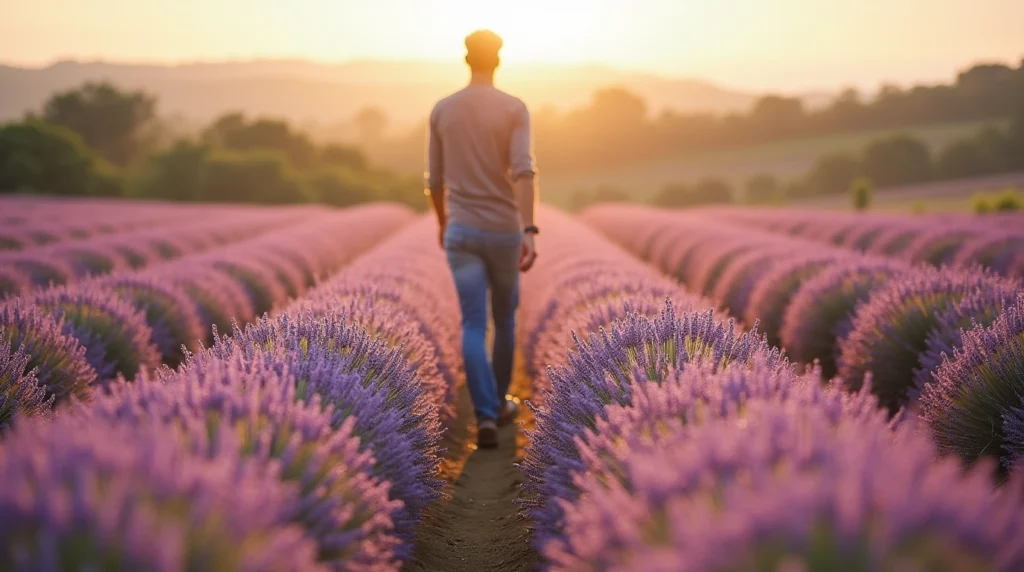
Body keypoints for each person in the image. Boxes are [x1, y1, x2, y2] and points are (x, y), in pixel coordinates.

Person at [426, 29, 540, 449]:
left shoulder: (443, 110)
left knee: (473, 322)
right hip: (504, 230)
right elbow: (524, 170)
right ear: (499, 60)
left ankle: (486, 413)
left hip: (462, 230)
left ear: (465, 58)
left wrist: (444, 222)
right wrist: (528, 229)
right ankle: (500, 404)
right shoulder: (514, 108)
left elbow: (434, 181)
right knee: (505, 318)